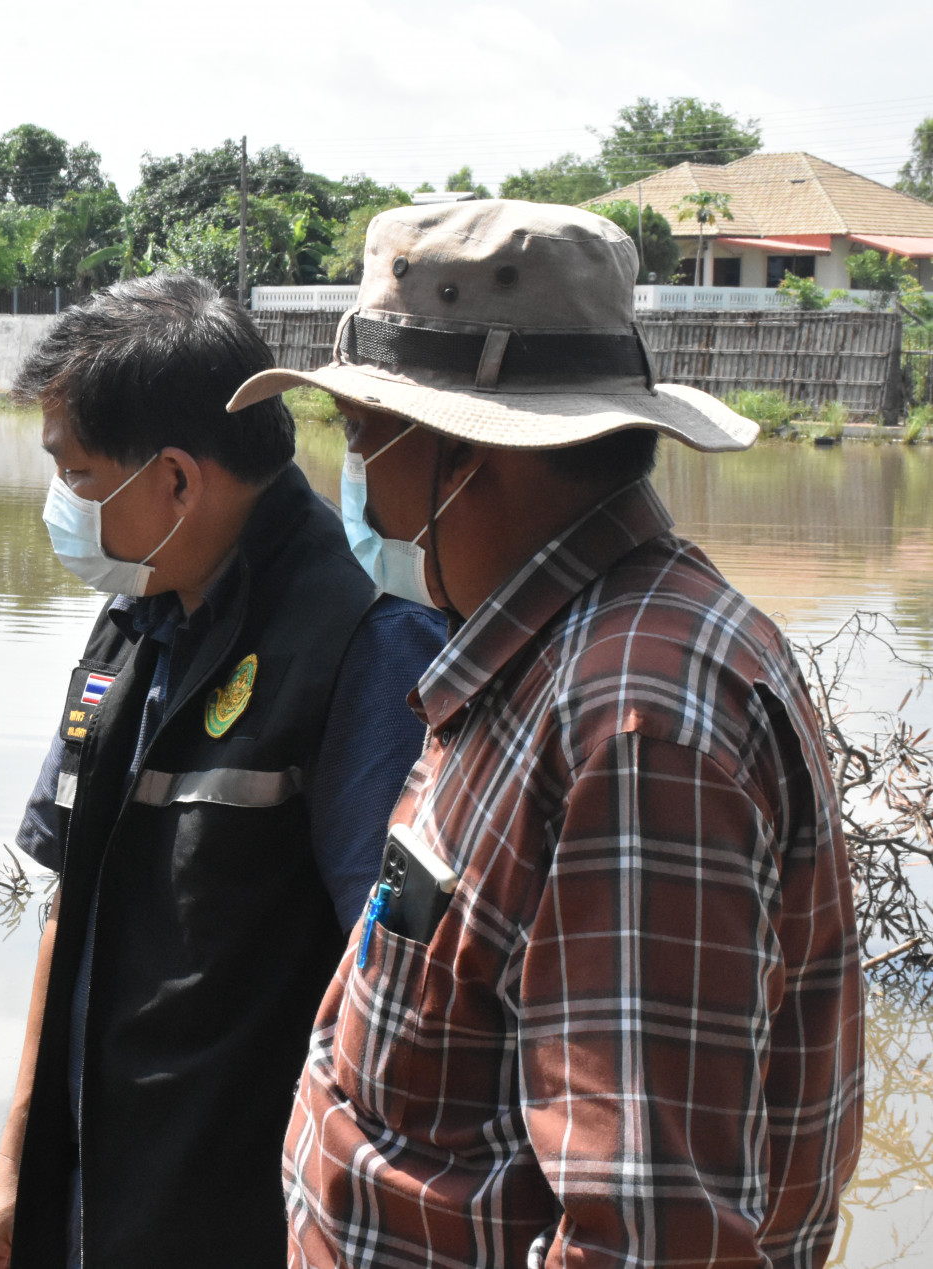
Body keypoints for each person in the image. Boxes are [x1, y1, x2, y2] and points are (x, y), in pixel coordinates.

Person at [276, 201, 862, 1266]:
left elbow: (645, 1235)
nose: (357, 488)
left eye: (364, 442)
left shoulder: (635, 725)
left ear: (465, 454)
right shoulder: (542, 655)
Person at [0, 274, 446, 1269]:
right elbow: (69, 902)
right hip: (96, 1200)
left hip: (242, 1220)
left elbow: (402, 998)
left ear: (178, 482)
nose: (63, 505)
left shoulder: (363, 654)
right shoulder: (131, 620)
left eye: (80, 473)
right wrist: (15, 1169)